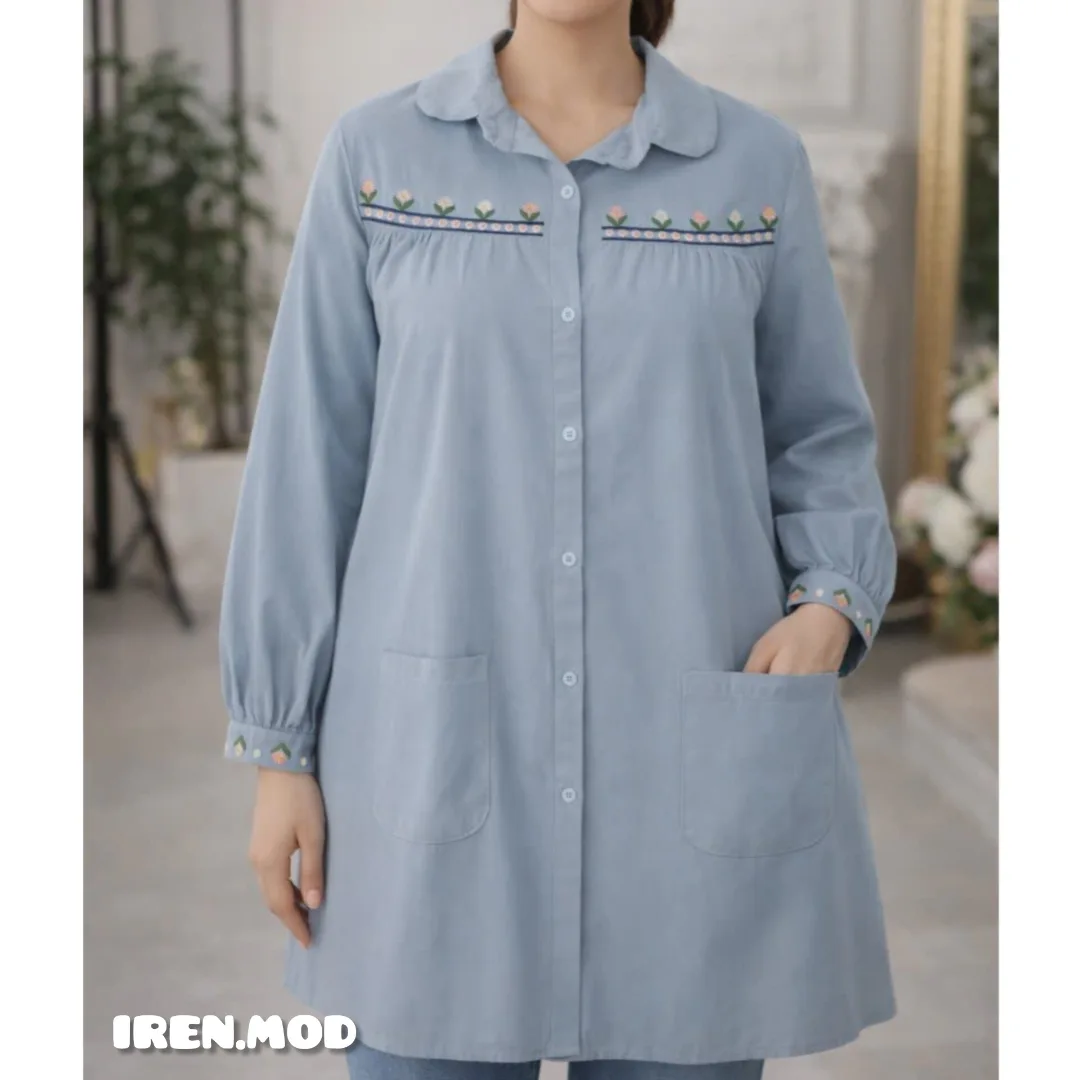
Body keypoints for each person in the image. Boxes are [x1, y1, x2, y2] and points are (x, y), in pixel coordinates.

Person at [219, 1, 898, 1077]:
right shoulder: (377, 159)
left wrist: (829, 604)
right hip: (425, 776)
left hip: (687, 803)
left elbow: (821, 432)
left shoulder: (756, 168)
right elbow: (307, 462)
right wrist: (278, 751)